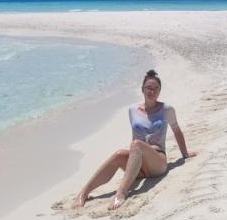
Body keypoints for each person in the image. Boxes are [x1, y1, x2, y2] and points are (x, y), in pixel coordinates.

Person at [73, 69, 195, 210]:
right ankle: (84, 193)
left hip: (158, 163)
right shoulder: (132, 110)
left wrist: (185, 154)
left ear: (160, 91)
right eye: (149, 88)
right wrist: (133, 161)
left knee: (136, 144)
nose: (152, 91)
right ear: (142, 90)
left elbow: (177, 130)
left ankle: (121, 193)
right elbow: (135, 136)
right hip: (139, 166)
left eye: (156, 88)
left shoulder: (167, 109)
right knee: (119, 154)